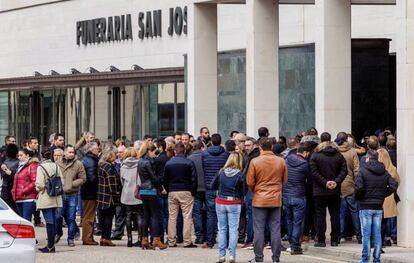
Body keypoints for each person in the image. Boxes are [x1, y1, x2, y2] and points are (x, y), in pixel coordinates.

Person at [247, 138, 288, 263]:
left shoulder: (255, 161)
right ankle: (276, 258)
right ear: (272, 147)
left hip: (259, 198)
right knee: (275, 229)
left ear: (260, 147)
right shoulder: (281, 161)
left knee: (258, 229)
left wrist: (256, 191)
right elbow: (285, 180)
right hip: (275, 198)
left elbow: (250, 182)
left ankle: (259, 257)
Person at [354, 150, 398, 263]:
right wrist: (384, 194)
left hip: (365, 206)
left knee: (366, 234)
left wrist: (359, 198)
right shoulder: (384, 171)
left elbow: (358, 188)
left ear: (368, 158)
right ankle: (376, 259)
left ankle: (365, 258)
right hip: (378, 206)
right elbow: (394, 185)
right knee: (377, 234)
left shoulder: (362, 171)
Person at [309, 132, 347, 247]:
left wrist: (325, 183)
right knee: (335, 214)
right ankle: (335, 239)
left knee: (320, 216)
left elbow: (314, 173)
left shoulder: (315, 155)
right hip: (334, 190)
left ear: (321, 140)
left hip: (320, 190)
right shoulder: (339, 155)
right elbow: (344, 171)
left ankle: (321, 240)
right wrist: (336, 182)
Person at [211, 153, 245, 263]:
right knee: (233, 229)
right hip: (234, 202)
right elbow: (244, 191)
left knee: (222, 229)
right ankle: (232, 255)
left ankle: (221, 255)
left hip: (220, 201)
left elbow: (212, 185)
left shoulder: (221, 172)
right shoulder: (240, 174)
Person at [164, 142, 198, 248]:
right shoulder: (189, 162)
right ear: (184, 151)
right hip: (186, 190)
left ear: (175, 151)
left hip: (172, 191)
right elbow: (194, 179)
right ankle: (187, 241)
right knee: (187, 216)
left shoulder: (169, 163)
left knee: (172, 216)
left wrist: (168, 189)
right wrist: (193, 192)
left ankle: (171, 240)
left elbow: (165, 179)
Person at [137, 142, 167, 250]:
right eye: (155, 152)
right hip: (151, 191)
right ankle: (156, 240)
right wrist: (161, 188)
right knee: (155, 215)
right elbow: (154, 178)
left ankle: (144, 239)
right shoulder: (148, 163)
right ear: (149, 151)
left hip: (143, 191)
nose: (155, 154)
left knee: (146, 215)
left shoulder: (140, 161)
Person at [55, 145, 86, 247]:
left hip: (72, 194)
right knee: (58, 216)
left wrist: (72, 184)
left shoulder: (78, 164)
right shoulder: (58, 164)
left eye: (73, 152)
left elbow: (83, 178)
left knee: (71, 218)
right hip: (60, 194)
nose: (71, 154)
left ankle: (70, 238)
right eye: (69, 152)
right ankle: (59, 232)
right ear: (64, 152)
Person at [283, 143, 311, 255]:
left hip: (286, 195)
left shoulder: (286, 160)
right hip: (299, 195)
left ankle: (291, 244)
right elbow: (309, 180)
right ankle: (295, 246)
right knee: (297, 222)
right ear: (305, 152)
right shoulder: (305, 164)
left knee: (289, 221)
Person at [202, 133, 229, 249]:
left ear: (211, 142)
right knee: (224, 215)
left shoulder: (204, 154)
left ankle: (210, 241)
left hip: (209, 187)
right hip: (222, 188)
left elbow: (204, 168)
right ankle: (225, 241)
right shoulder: (226, 155)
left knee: (210, 214)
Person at [35, 147, 64, 253]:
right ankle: (51, 245)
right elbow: (62, 182)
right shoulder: (56, 166)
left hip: (46, 197)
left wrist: (38, 189)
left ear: (42, 155)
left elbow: (40, 185)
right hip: (56, 197)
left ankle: (50, 246)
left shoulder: (41, 167)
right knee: (53, 220)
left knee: (49, 221)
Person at [335, 132, 361, 243]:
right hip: (350, 186)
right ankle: (360, 236)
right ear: (346, 139)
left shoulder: (335, 151)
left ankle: (341, 235)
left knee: (341, 213)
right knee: (355, 212)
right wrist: (357, 183)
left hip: (338, 185)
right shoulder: (352, 152)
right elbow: (357, 170)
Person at [97, 145, 121, 247]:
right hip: (109, 197)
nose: (117, 156)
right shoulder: (109, 168)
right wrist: (117, 193)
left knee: (102, 218)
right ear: (110, 154)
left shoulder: (101, 165)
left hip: (101, 195)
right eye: (115, 154)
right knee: (108, 218)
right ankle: (107, 238)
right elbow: (112, 185)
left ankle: (103, 237)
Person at [120, 147, 143, 247]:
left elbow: (122, 181)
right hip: (137, 193)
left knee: (128, 216)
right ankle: (140, 237)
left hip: (126, 193)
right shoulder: (139, 164)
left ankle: (129, 238)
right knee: (139, 215)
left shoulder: (123, 166)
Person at [378, 148, 400, 246]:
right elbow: (397, 182)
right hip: (389, 196)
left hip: (377, 197)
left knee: (377, 221)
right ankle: (386, 238)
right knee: (386, 220)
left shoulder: (375, 168)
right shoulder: (392, 168)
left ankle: (379, 240)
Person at [241, 137, 261, 250]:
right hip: (255, 190)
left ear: (254, 145)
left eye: (248, 145)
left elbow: (247, 176)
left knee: (252, 216)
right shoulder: (250, 156)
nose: (246, 147)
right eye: (246, 145)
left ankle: (251, 240)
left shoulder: (253, 158)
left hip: (252, 190)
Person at [81, 142, 100, 245]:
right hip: (90, 191)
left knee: (89, 215)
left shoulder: (88, 159)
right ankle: (87, 238)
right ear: (91, 150)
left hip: (87, 191)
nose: (98, 150)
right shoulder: (91, 161)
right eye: (96, 148)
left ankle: (89, 237)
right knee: (89, 216)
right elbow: (92, 178)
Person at [11, 148, 38, 222]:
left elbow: (35, 181)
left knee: (26, 220)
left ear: (27, 155)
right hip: (19, 198)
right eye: (18, 156)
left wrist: (24, 190)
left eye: (21, 155)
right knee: (22, 222)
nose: (19, 157)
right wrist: (13, 191)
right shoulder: (20, 166)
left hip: (28, 198)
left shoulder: (32, 165)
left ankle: (29, 234)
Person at [188, 141, 207, 244]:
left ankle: (199, 236)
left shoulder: (190, 158)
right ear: (202, 147)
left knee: (197, 213)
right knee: (209, 212)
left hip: (195, 189)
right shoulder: (207, 157)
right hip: (207, 187)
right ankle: (208, 235)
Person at [0, 144, 19, 213]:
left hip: (5, 189)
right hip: (15, 189)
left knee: (5, 211)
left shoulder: (4, 164)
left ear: (7, 153)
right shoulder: (19, 163)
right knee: (15, 211)